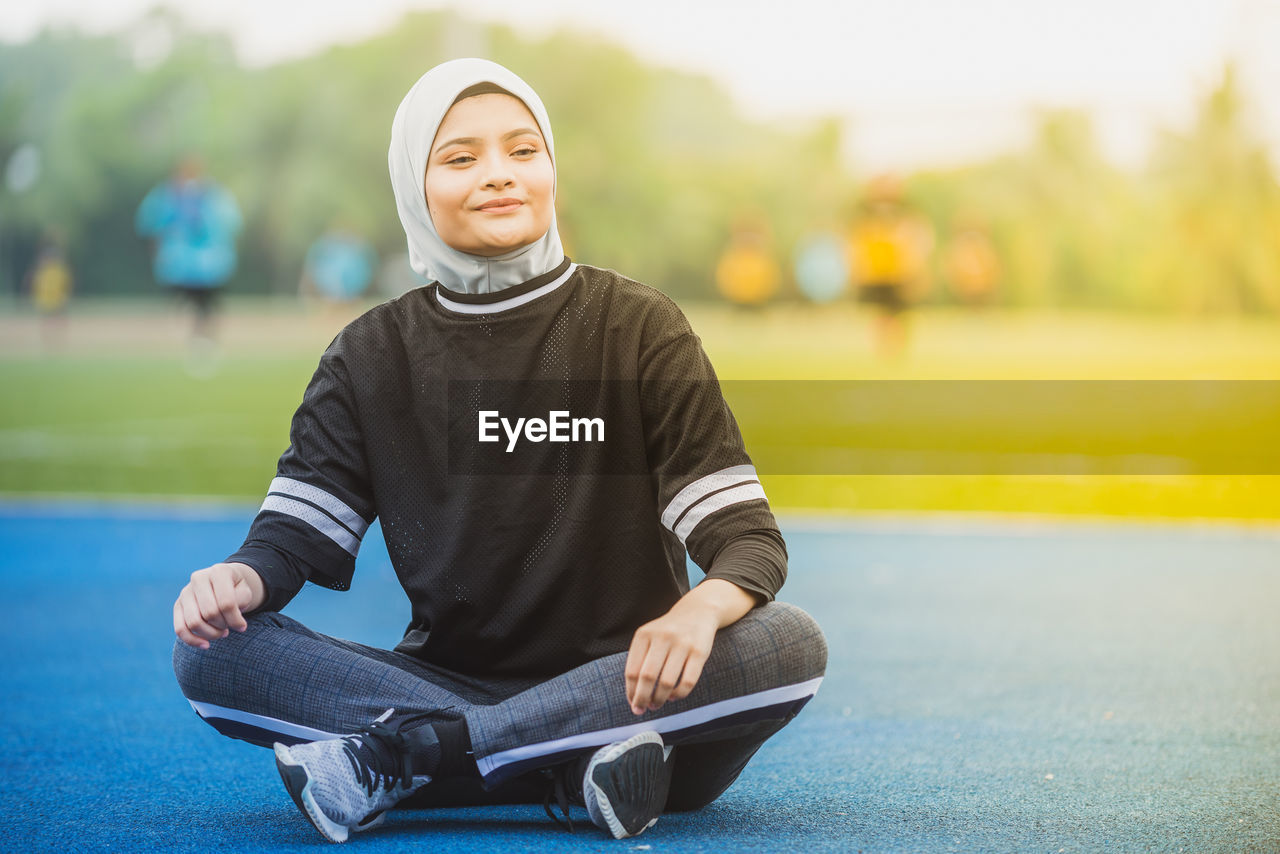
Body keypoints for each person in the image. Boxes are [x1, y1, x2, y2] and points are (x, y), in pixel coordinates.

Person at [171, 58, 827, 844]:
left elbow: (748, 543)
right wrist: (233, 579)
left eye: (523, 151)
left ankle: (417, 758)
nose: (499, 176)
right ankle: (563, 767)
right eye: (460, 158)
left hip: (638, 689)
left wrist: (698, 612)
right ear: (415, 186)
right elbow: (290, 540)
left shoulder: (638, 326)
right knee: (210, 654)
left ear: (552, 167)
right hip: (452, 685)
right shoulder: (371, 354)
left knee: (791, 641)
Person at [135, 155, 243, 356]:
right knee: (194, 303)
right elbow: (150, 223)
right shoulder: (169, 196)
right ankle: (197, 336)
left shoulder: (212, 196)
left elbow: (230, 223)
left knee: (205, 304)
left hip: (207, 266)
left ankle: (202, 338)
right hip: (184, 266)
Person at [847, 174, 933, 358]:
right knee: (879, 311)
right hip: (875, 271)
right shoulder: (863, 211)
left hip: (900, 271)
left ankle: (897, 347)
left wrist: (918, 266)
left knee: (899, 312)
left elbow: (920, 237)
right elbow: (854, 241)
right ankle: (883, 347)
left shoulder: (907, 211)